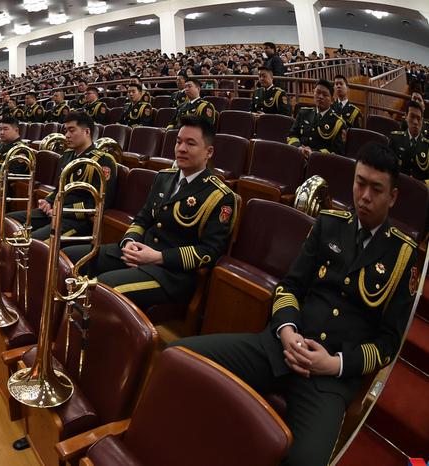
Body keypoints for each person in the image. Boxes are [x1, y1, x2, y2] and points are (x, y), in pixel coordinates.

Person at [171, 142, 417, 466]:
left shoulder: (403, 255)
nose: (365, 196)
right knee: (181, 356)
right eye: (360, 183)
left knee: (307, 461)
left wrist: (335, 364)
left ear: (393, 196)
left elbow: (387, 343)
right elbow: (290, 287)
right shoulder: (329, 224)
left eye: (376, 189)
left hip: (329, 379)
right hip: (282, 346)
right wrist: (287, 332)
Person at [63, 116, 236, 309]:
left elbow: (210, 251)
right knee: (66, 258)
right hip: (137, 253)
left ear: (208, 152)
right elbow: (142, 219)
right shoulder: (164, 177)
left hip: (169, 273)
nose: (181, 148)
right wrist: (129, 242)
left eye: (190, 143)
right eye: (178, 141)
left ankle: (77, 325)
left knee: (101, 288)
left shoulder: (219, 196)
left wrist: (158, 257)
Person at [8, 112, 117, 241]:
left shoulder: (103, 160)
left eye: (72, 130)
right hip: (55, 211)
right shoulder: (67, 155)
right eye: (66, 131)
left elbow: (99, 203)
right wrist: (48, 201)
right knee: (8, 221)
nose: (67, 135)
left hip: (77, 220)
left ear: (87, 132)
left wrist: (62, 210)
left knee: (31, 241)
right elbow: (59, 188)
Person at [287, 79, 346, 156]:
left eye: (325, 95)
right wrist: (299, 147)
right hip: (298, 155)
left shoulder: (337, 123)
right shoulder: (303, 113)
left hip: (320, 160)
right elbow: (292, 135)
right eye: (318, 93)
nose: (320, 97)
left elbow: (337, 151)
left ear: (332, 100)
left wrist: (313, 153)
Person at [390, 100, 428, 185]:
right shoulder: (395, 139)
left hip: (419, 189)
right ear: (406, 117)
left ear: (422, 121)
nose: (415, 122)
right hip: (398, 185)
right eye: (412, 116)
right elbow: (388, 167)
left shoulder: (427, 146)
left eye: (418, 118)